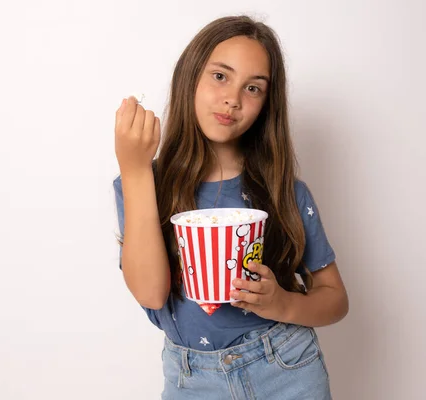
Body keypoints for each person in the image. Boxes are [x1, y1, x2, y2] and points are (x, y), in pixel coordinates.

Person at [112, 15, 349, 399]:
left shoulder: (283, 190)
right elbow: (152, 295)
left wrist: (283, 304)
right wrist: (136, 170)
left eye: (253, 88)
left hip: (287, 368)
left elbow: (335, 298)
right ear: (190, 76)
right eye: (220, 76)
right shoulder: (141, 183)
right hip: (192, 378)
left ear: (265, 104)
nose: (233, 99)